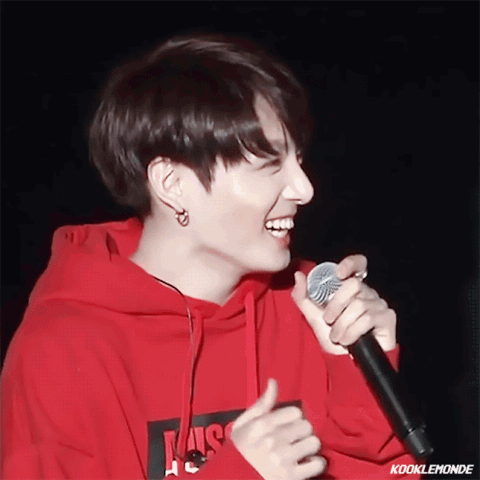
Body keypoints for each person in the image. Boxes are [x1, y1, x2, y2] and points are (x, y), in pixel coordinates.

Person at [1, 33, 419, 479]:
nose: (304, 189)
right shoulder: (63, 350)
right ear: (173, 184)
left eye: (298, 160)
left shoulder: (311, 308)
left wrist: (359, 374)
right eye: (269, 166)